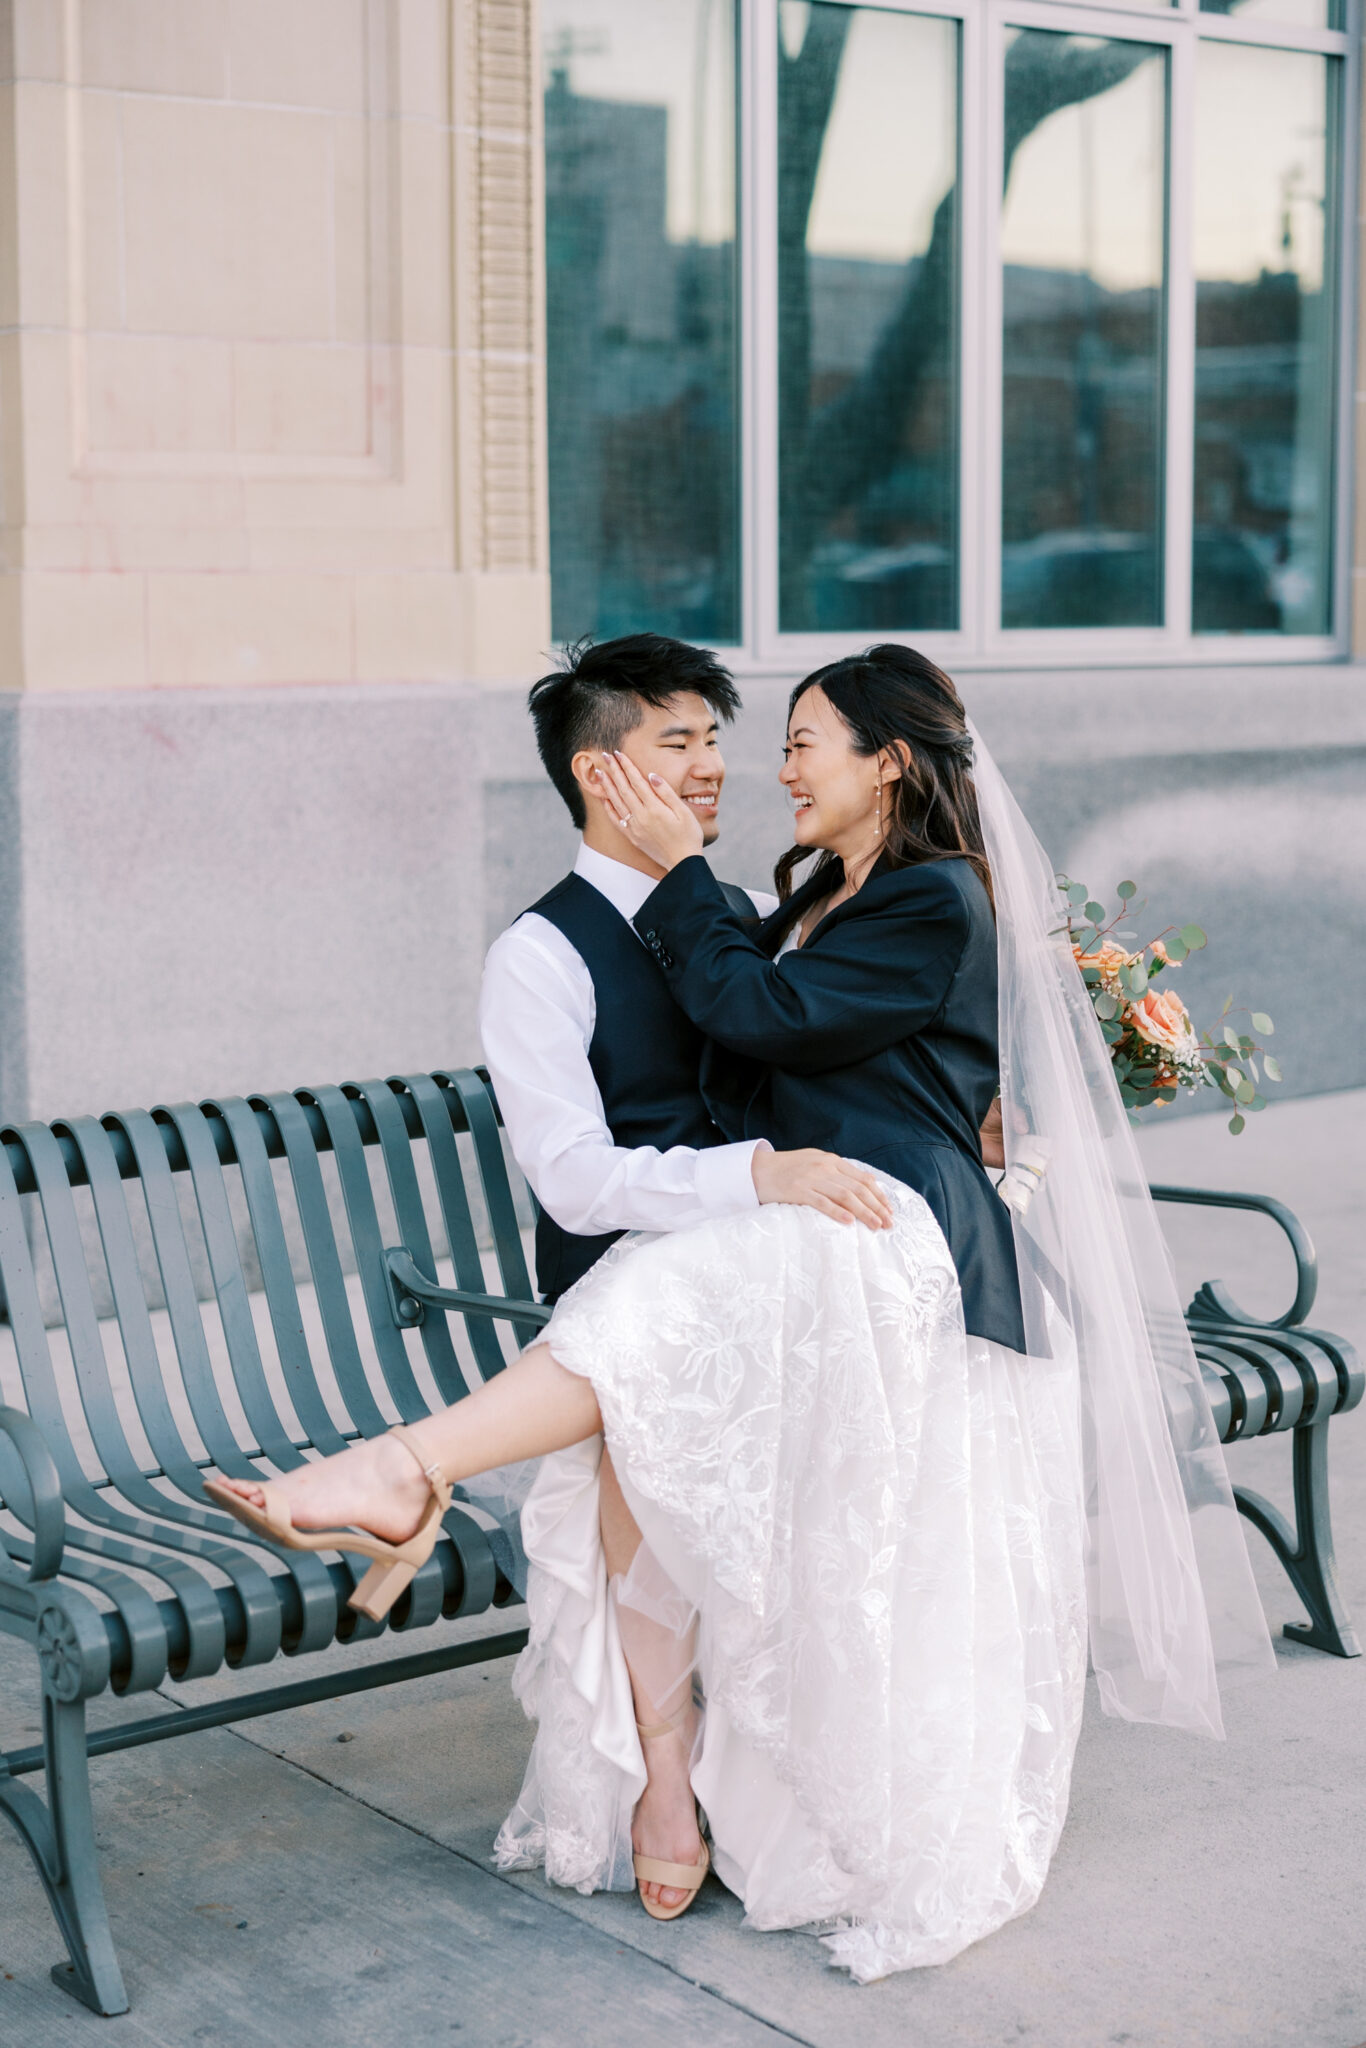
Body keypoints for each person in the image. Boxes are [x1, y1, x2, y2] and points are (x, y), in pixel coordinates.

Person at [207, 644, 1272, 1981]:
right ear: (601, 772)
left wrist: (952, 1116)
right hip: (702, 1253)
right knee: (644, 1353)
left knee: (662, 1343)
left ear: (887, 759)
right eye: (684, 745)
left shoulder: (865, 899)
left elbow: (775, 1022)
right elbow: (590, 1168)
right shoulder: (579, 944)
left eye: (767, 740)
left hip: (827, 1251)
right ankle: (658, 1770)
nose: (734, 769)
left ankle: (403, 1474)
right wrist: (763, 1167)